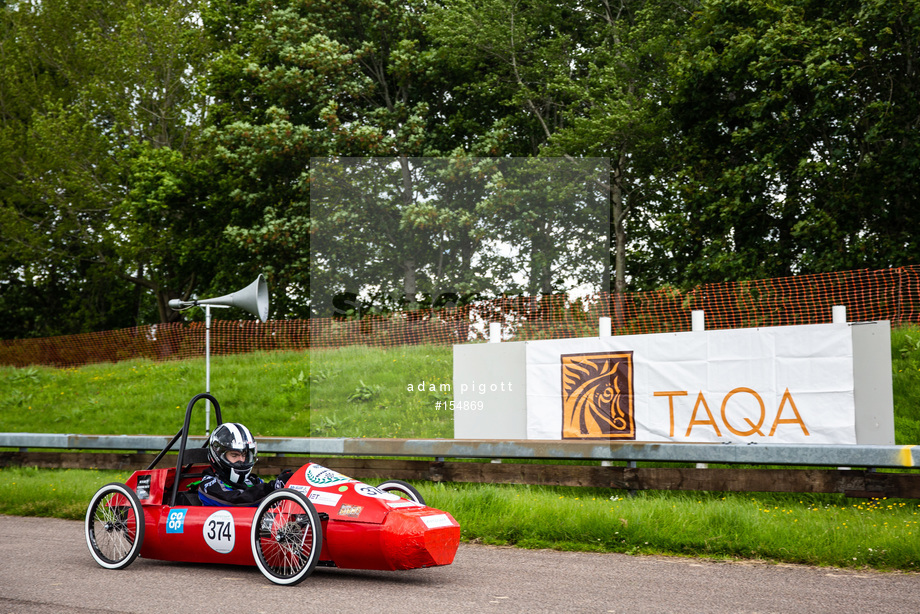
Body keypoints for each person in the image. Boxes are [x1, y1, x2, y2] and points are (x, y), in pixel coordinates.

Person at [197, 422, 292, 506]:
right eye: (234, 455)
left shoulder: (250, 481)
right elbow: (236, 501)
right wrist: (271, 488)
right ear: (218, 455)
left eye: (244, 455)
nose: (241, 460)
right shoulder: (209, 485)